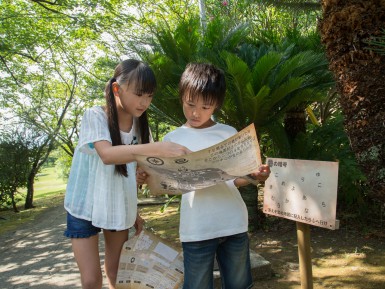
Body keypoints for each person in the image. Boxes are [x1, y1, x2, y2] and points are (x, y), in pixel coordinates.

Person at [63, 59, 190, 289]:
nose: (145, 102)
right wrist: (154, 148)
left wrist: (141, 182)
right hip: (83, 207)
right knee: (91, 280)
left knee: (117, 274)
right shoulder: (95, 116)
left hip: (115, 206)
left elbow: (134, 172)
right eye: (139, 94)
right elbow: (108, 155)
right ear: (116, 89)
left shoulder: (141, 128)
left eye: (150, 96)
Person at [150, 62, 270, 289]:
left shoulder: (228, 133)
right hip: (196, 228)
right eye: (190, 104)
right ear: (182, 97)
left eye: (206, 106)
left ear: (216, 104)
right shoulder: (170, 140)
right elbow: (164, 184)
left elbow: (235, 180)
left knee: (239, 285)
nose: (196, 112)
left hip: (233, 223)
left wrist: (256, 176)